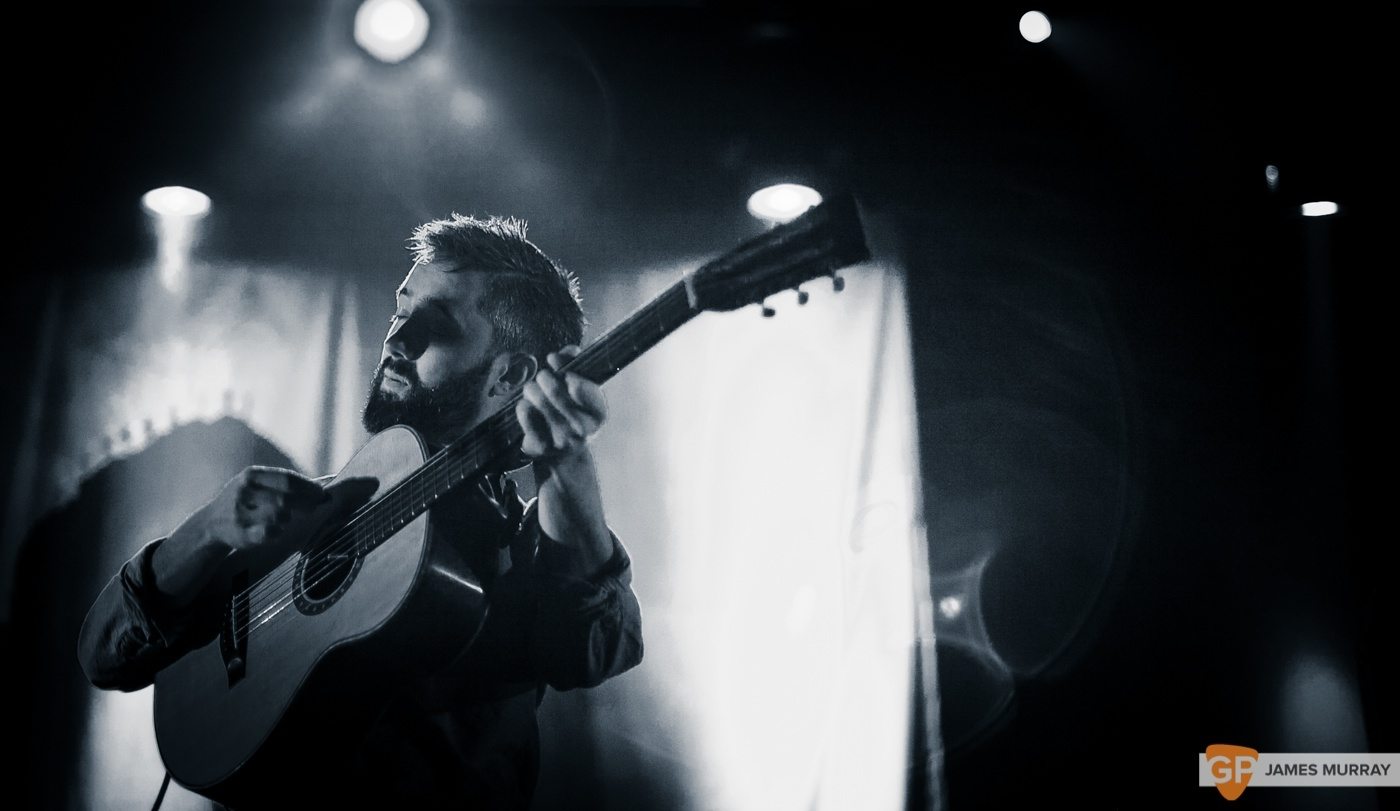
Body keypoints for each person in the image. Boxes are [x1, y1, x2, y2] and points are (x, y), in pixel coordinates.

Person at [76, 215, 644, 808]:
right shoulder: (313, 512)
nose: (397, 339)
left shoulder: (532, 545)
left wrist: (567, 463)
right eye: (402, 311)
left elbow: (591, 649)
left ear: (510, 376)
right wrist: (207, 530)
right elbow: (104, 654)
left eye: (436, 324)